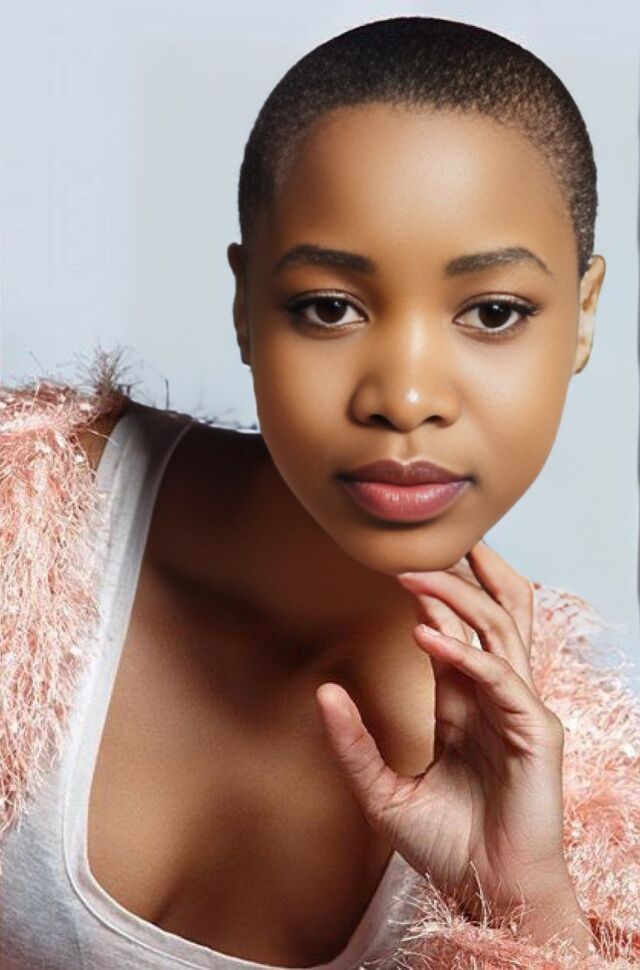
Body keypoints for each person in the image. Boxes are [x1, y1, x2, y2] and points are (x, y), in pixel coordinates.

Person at [0, 14, 638, 970]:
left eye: (493, 312)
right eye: (330, 307)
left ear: (582, 317)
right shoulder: (23, 534)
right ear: (246, 305)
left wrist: (525, 904)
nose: (406, 399)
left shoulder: (585, 811)